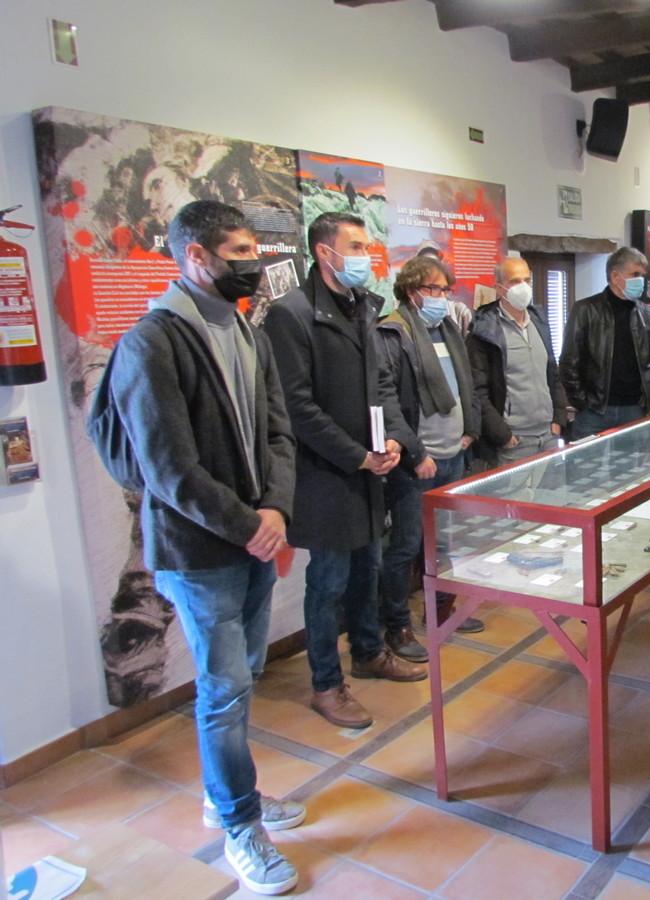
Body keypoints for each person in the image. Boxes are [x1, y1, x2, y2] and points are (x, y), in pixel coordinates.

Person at [108, 201, 302, 894]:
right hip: (201, 551)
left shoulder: (246, 329)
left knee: (244, 672)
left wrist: (274, 507)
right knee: (223, 690)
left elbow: (278, 429)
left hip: (256, 536)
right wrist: (250, 524)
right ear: (197, 257)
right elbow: (168, 468)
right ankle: (240, 821)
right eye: (242, 249)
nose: (254, 262)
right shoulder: (151, 343)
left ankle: (227, 795)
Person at [263, 212, 426, 733]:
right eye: (354, 245)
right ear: (323, 251)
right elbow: (296, 405)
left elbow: (381, 385)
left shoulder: (362, 307)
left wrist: (395, 440)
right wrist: (355, 454)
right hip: (325, 476)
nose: (365, 255)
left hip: (368, 472)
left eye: (367, 245)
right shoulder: (290, 315)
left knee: (368, 569)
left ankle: (369, 651)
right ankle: (326, 684)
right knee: (328, 582)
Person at [377, 254, 484, 656]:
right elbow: (388, 401)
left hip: (454, 451)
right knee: (404, 546)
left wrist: (470, 430)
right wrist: (416, 452)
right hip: (417, 461)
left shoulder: (449, 329)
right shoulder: (393, 332)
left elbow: (466, 384)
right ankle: (397, 627)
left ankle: (441, 612)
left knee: (444, 541)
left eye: (444, 289)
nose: (440, 296)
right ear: (410, 290)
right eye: (431, 289)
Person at [468, 256, 568, 466]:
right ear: (499, 287)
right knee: (514, 499)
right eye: (514, 281)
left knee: (551, 497)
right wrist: (502, 436)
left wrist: (558, 419)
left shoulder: (539, 322)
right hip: (515, 441)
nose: (522, 287)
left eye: (526, 280)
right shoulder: (484, 331)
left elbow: (552, 374)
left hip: (548, 435)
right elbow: (478, 391)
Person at [559, 246, 650, 439]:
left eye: (642, 275)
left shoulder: (648, 315)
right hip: (594, 411)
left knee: (634, 467)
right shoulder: (585, 310)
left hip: (634, 409)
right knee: (587, 467)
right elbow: (569, 361)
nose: (641, 280)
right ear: (616, 277)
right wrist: (582, 402)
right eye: (635, 274)